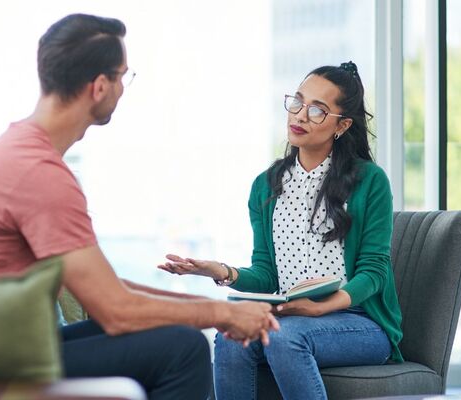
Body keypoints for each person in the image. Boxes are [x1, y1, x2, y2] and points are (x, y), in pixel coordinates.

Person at [0, 13, 278, 400]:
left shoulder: (17, 151)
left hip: (0, 349)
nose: (122, 88)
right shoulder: (38, 174)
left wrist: (215, 308)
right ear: (99, 86)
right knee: (184, 349)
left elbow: (107, 291)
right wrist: (223, 314)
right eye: (123, 76)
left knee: (169, 332)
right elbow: (117, 311)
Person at [158, 62, 404, 400]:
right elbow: (266, 275)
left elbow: (374, 271)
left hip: (359, 322)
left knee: (285, 337)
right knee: (231, 336)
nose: (300, 116)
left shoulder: (370, 181)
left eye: (317, 110)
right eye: (297, 102)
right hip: (290, 317)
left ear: (342, 125)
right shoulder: (266, 186)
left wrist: (320, 307)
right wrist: (222, 272)